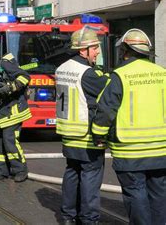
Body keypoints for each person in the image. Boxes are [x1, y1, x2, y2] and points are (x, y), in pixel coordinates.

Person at [91, 29, 166, 225]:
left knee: (136, 193)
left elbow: (106, 110)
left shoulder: (120, 75)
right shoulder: (162, 73)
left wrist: (98, 136)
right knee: (159, 194)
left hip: (130, 151)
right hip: (161, 151)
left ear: (124, 51)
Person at [55, 27, 109, 225]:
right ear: (82, 50)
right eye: (94, 48)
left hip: (68, 132)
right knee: (90, 178)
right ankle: (89, 219)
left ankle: (68, 216)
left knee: (72, 173)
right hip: (86, 135)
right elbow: (108, 90)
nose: (97, 52)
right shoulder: (88, 73)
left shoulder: (61, 68)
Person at [0, 50, 31, 182]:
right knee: (2, 143)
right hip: (4, 113)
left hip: (14, 112)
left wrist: (10, 88)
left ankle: (20, 170)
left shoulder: (4, 65)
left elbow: (25, 76)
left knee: (10, 141)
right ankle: (2, 170)